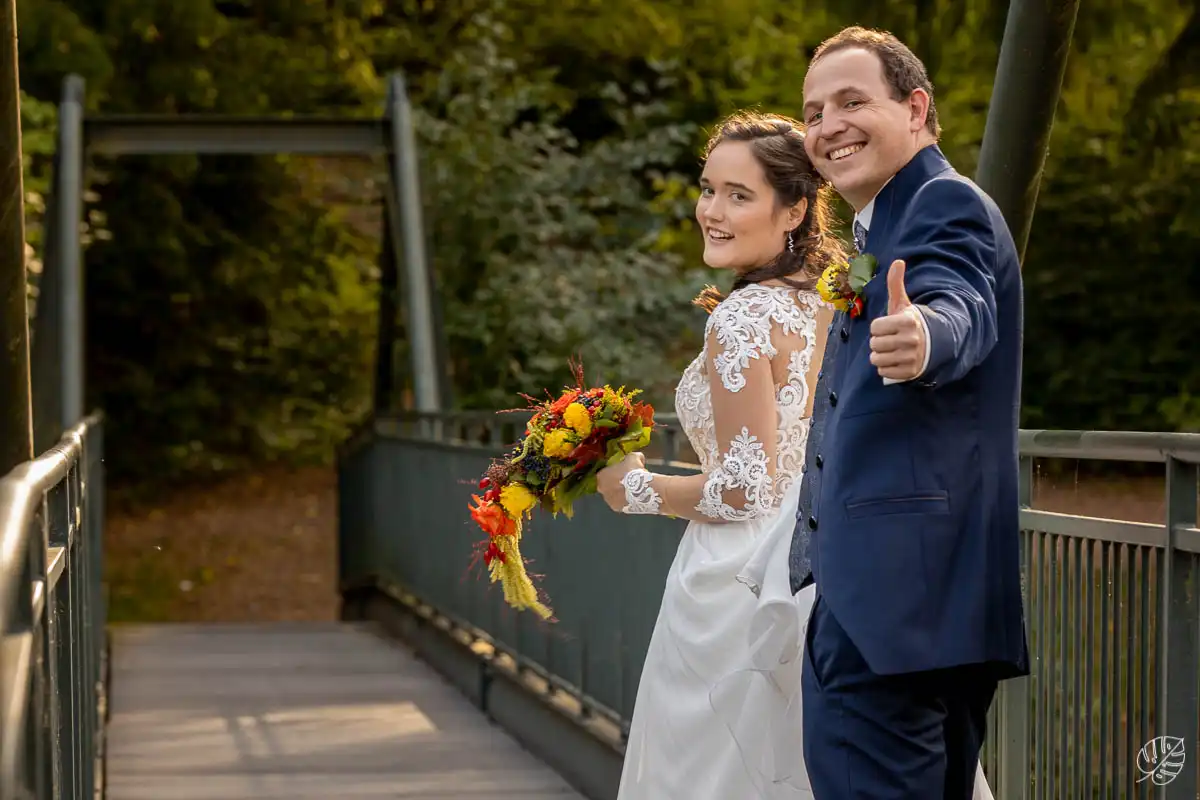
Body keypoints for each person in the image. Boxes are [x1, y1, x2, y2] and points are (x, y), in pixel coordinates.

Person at [788, 26, 1029, 799]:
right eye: (815, 111)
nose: (829, 125)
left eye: (853, 101)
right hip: (925, 604)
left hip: (888, 607)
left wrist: (924, 338)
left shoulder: (941, 200)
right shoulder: (882, 224)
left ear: (917, 109)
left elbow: (960, 306)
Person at [593, 109, 838, 800]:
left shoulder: (741, 318)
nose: (712, 211)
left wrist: (634, 487)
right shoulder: (832, 305)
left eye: (739, 195)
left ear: (793, 209)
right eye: (708, 189)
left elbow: (743, 489)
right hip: (819, 565)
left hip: (738, 583)